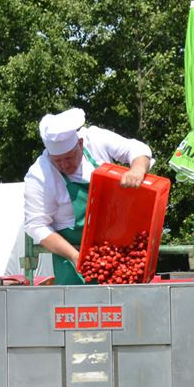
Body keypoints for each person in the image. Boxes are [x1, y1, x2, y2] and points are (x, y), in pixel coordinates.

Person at [23, 107, 153, 284]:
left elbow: (137, 149)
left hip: (117, 248)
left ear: (80, 144)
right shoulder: (39, 175)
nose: (64, 165)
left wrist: (137, 168)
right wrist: (75, 255)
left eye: (69, 157)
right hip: (72, 259)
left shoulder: (95, 139)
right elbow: (36, 225)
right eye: (57, 160)